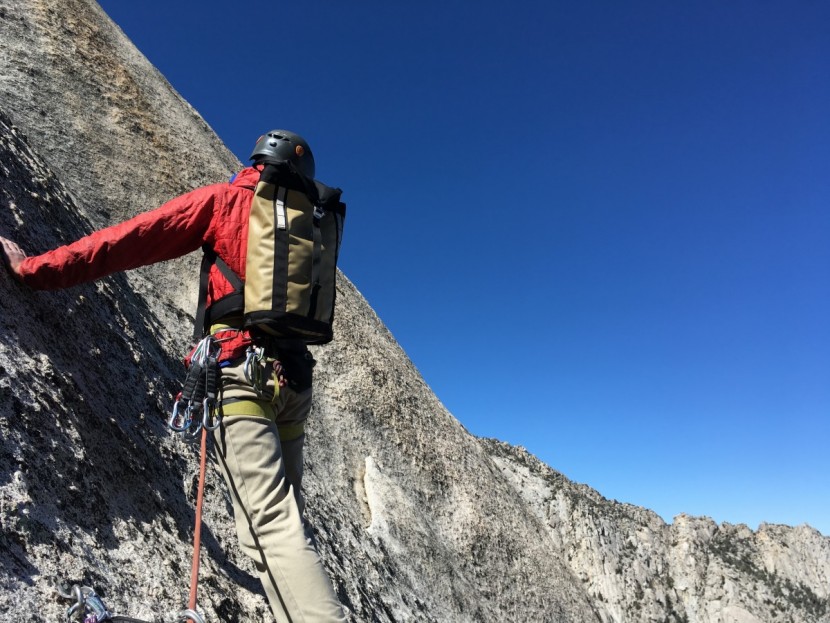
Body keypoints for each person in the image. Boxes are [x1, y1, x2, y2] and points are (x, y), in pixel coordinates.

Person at [0, 130, 347, 623]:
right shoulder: (309, 225)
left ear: (255, 162)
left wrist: (37, 269)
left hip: (239, 374)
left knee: (270, 526)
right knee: (289, 518)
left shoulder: (225, 201)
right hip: (295, 383)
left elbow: (127, 241)